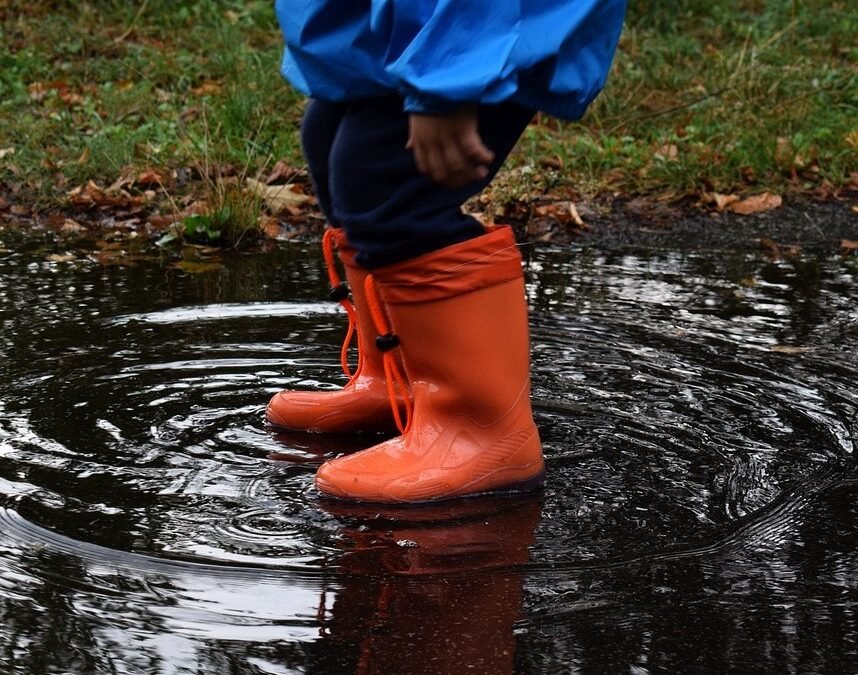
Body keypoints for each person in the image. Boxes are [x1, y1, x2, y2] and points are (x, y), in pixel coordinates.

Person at [267, 1, 627, 503]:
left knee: (386, 181)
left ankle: (480, 433)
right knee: (329, 141)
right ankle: (398, 383)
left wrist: (448, 79)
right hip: (402, 27)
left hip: (472, 30)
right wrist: (346, 52)